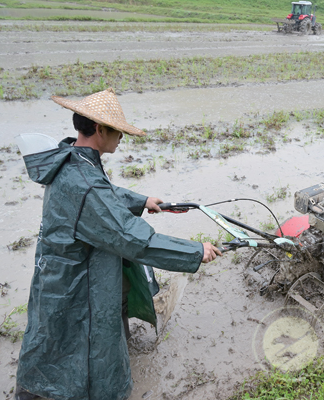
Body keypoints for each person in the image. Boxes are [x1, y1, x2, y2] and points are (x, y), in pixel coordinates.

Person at [14, 88, 222, 400]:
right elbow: (135, 241)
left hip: (60, 273)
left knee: (59, 340)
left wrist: (142, 201)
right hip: (75, 282)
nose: (121, 139)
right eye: (118, 132)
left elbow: (104, 194)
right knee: (74, 349)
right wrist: (195, 251)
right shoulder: (83, 180)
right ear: (100, 130)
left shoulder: (74, 160)